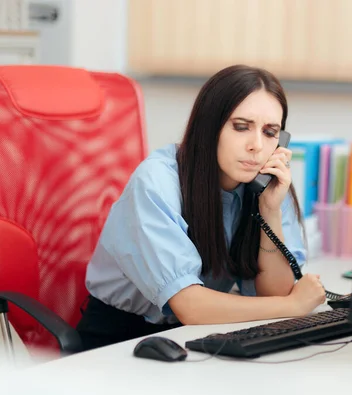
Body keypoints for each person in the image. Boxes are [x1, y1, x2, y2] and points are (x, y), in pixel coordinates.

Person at [76, 65, 326, 350]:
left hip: (197, 332)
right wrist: (292, 306)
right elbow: (190, 306)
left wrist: (269, 210)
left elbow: (272, 293)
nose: (257, 145)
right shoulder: (157, 181)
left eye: (270, 132)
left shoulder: (266, 185)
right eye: (241, 127)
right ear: (210, 126)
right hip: (119, 339)